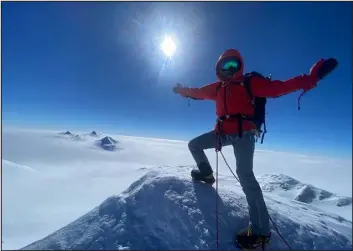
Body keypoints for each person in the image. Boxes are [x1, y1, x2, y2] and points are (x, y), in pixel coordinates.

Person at [172, 48, 337, 249]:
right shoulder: (217, 88)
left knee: (245, 175)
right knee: (194, 145)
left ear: (241, 66)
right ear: (218, 68)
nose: (230, 69)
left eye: (234, 64)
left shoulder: (250, 83)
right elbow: (197, 92)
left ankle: (260, 231)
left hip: (244, 134)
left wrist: (311, 78)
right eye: (226, 65)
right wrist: (183, 91)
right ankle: (206, 174)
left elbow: (280, 88)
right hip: (222, 133)